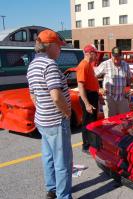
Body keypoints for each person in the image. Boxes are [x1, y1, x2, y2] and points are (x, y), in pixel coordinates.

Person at [27, 30, 72, 199]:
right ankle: (64, 196)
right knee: (63, 162)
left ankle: (51, 189)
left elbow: (32, 94)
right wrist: (66, 111)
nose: (60, 50)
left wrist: (42, 109)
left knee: (48, 157)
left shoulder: (33, 65)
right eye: (59, 47)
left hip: (43, 120)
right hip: (56, 120)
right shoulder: (49, 65)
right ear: (50, 46)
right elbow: (55, 95)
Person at [94, 47, 133, 118]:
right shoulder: (105, 64)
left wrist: (132, 88)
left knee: (125, 119)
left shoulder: (126, 65)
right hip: (109, 97)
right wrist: (99, 88)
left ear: (121, 55)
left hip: (122, 96)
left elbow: (130, 78)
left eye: (117, 56)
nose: (115, 58)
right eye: (114, 56)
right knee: (110, 123)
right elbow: (93, 76)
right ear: (111, 55)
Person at [77, 44, 99, 154]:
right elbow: (81, 86)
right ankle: (86, 146)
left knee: (92, 122)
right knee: (87, 122)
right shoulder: (83, 65)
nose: (96, 55)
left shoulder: (89, 65)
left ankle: (91, 143)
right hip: (88, 97)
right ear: (90, 53)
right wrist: (87, 104)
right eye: (95, 53)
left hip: (92, 95)